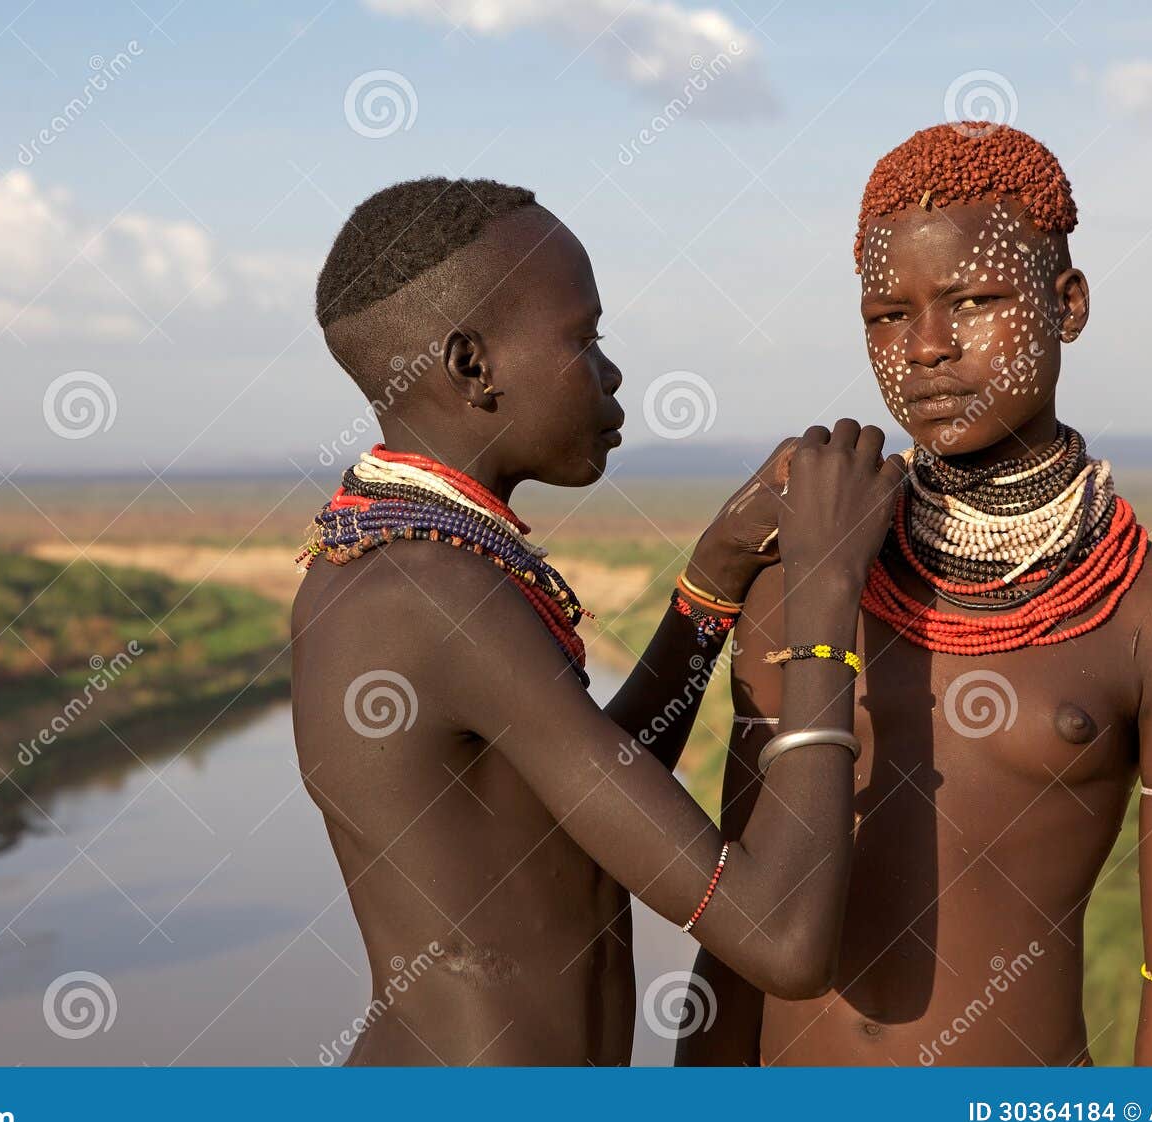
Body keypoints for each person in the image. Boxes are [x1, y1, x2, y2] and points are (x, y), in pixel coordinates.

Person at [291, 176, 904, 1064]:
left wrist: (712, 582)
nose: (612, 373)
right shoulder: (435, 596)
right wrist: (824, 588)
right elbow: (783, 938)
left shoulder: (403, 560)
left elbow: (588, 802)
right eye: (585, 338)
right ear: (473, 365)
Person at [678, 123, 1152, 1067]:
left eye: (973, 300)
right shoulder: (807, 582)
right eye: (887, 315)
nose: (927, 348)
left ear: (1068, 305)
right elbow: (735, 940)